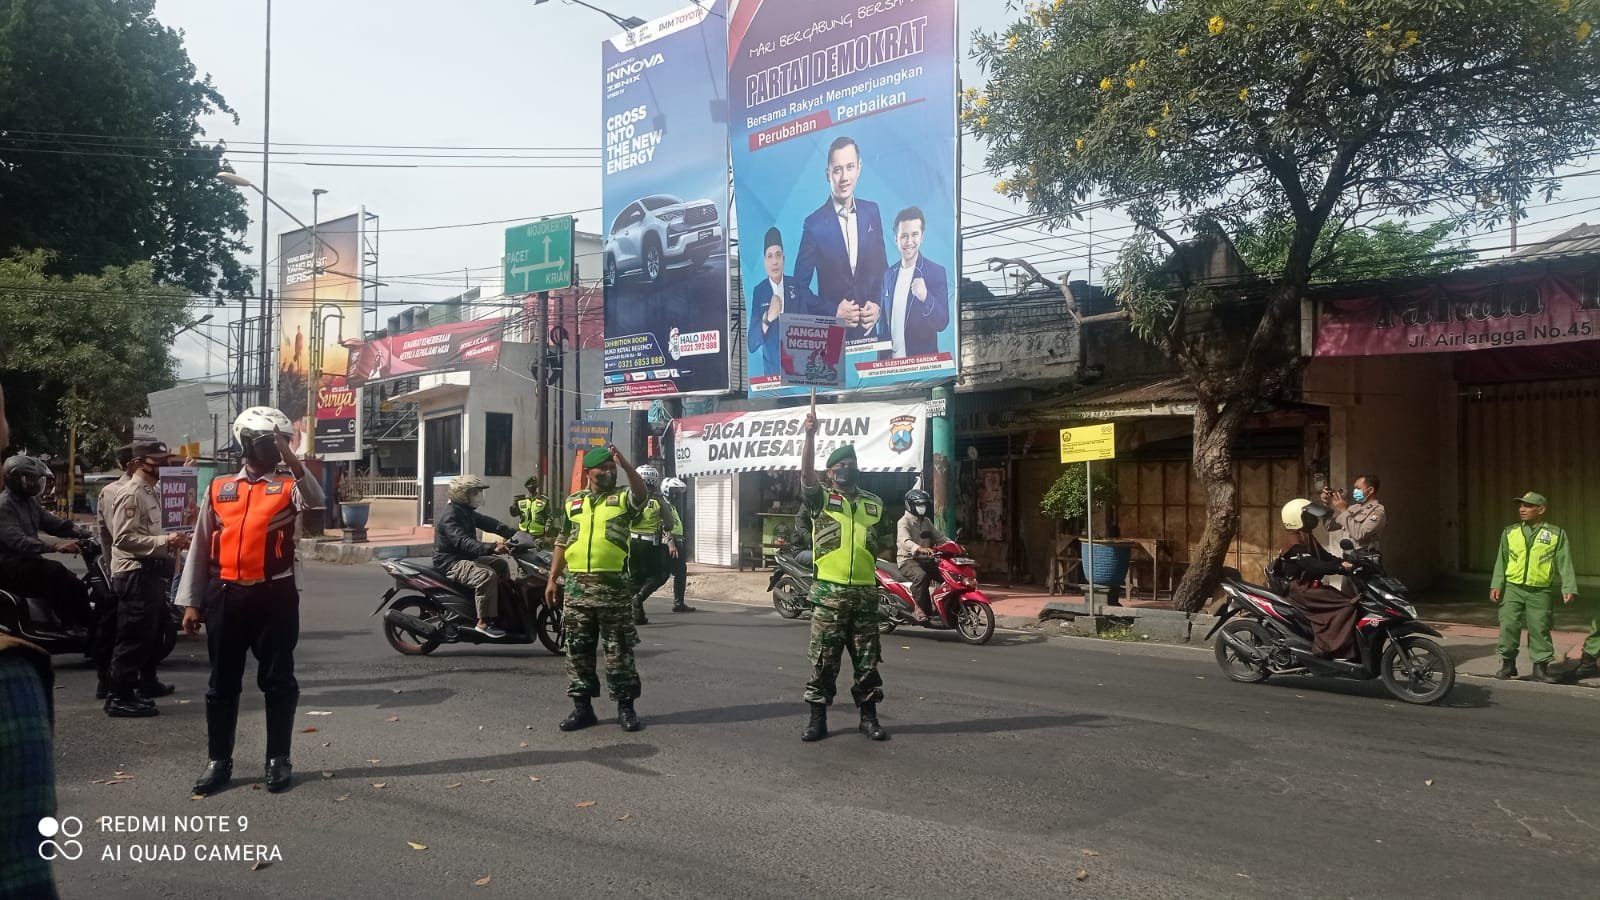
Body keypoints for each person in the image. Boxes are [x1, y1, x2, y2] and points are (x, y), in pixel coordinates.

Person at [178, 406, 323, 796]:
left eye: (283, 442)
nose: (276, 450)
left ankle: (278, 759)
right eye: (268, 442)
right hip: (225, 594)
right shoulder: (221, 488)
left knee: (277, 681)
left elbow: (317, 499)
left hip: (275, 595)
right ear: (246, 443)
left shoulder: (288, 485)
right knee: (221, 683)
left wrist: (291, 457)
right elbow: (200, 546)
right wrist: (192, 602)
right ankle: (218, 761)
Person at [798, 396, 888, 743]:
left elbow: (880, 542)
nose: (846, 469)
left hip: (865, 594)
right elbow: (806, 477)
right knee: (824, 662)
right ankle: (817, 720)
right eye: (840, 465)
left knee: (868, 662)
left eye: (851, 463)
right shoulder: (821, 498)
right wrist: (809, 436)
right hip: (829, 595)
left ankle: (869, 717)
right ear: (830, 472)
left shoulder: (873, 503)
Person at [546, 445, 648, 732]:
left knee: (619, 651)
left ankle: (626, 709)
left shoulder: (623, 499)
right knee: (577, 650)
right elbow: (562, 541)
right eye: (602, 468)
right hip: (577, 589)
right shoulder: (573, 503)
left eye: (611, 467)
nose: (608, 472)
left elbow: (642, 494)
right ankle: (582, 709)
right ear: (589, 472)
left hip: (613, 588)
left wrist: (627, 466)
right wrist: (553, 578)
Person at [102, 441, 189, 717]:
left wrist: (174, 539)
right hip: (135, 572)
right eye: (159, 460)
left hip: (148, 573)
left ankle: (133, 690)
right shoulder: (131, 494)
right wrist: (166, 540)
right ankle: (119, 697)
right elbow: (124, 539)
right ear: (141, 463)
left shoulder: (151, 493)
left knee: (145, 636)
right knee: (132, 638)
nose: (165, 465)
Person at [793, 136, 889, 344]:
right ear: (828, 174)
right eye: (837, 170)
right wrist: (833, 311)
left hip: (869, 338)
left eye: (850, 167)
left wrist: (878, 304)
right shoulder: (814, 225)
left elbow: (883, 270)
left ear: (859, 168)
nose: (844, 177)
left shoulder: (872, 212)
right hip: (832, 340)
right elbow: (798, 289)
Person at [1489, 491, 1578, 684]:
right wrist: (1497, 584)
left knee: (1540, 628)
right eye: (1521, 505)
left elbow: (1564, 562)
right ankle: (1508, 665)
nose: (1522, 509)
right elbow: (1501, 560)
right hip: (1513, 587)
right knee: (1508, 626)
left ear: (1541, 509)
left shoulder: (1555, 534)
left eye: (1528, 506)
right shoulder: (1510, 532)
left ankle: (1540, 669)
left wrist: (1568, 587)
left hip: (1540, 590)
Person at [0, 455, 92, 631]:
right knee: (55, 571)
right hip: (8, 565)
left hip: (26, 562)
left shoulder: (30, 502)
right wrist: (54, 546)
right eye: (32, 479)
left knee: (77, 584)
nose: (36, 484)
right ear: (17, 479)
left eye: (37, 479)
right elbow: (18, 542)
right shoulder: (4, 505)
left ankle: (86, 627)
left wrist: (86, 534)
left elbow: (55, 524)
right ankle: (70, 624)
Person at [1273, 498, 1358, 660]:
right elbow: (1313, 566)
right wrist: (1339, 568)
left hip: (1309, 586)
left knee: (1345, 599)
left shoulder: (1306, 536)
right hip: (1298, 589)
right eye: (1309, 516)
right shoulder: (1293, 541)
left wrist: (1347, 562)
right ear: (1296, 518)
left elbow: (1326, 558)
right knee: (1347, 605)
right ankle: (1327, 647)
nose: (1313, 519)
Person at [436, 474, 517, 638]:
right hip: (452, 562)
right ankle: (483, 623)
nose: (478, 496)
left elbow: (491, 524)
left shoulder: (466, 512)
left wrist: (515, 534)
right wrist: (493, 547)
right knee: (486, 576)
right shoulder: (450, 516)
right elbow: (463, 542)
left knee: (500, 565)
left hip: (466, 557)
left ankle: (501, 609)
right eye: (474, 493)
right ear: (461, 494)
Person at [91, 444, 136, 701]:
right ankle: (108, 683)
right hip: (122, 571)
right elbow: (120, 537)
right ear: (132, 465)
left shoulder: (146, 489)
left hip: (137, 571)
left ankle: (145, 679)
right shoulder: (116, 492)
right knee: (118, 629)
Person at [877, 207, 950, 358]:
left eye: (914, 235)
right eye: (904, 235)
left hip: (920, 368)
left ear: (922, 236)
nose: (909, 241)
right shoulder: (888, 275)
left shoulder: (935, 272)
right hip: (890, 367)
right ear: (896, 238)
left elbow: (942, 323)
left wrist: (925, 297)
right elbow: (884, 326)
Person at [749, 227, 816, 377]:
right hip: (773, 375)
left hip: (799, 372)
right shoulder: (759, 292)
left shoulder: (796, 285)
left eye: (778, 255)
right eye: (770, 256)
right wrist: (768, 318)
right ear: (765, 262)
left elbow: (809, 327)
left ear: (784, 259)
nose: (774, 262)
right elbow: (751, 343)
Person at [627, 464, 687, 624]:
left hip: (630, 543)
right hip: (649, 544)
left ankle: (634, 613)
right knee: (660, 575)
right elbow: (668, 524)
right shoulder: (658, 500)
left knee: (635, 578)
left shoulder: (627, 497)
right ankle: (638, 599)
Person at [896, 488, 948, 624]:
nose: (922, 508)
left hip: (926, 559)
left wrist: (953, 545)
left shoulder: (926, 522)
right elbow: (905, 541)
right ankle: (917, 608)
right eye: (919, 505)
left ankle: (942, 607)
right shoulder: (903, 522)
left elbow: (940, 537)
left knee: (947, 575)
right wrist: (919, 548)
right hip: (908, 559)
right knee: (921, 576)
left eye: (924, 505)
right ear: (911, 505)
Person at [1323, 474, 1386, 553]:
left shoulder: (1377, 511)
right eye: (1355, 488)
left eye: (1358, 488)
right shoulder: (1354, 508)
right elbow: (1329, 525)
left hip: (1365, 559)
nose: (1355, 491)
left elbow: (1359, 534)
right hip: (1348, 558)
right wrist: (1326, 503)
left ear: (1370, 490)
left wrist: (1343, 510)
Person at [510, 475, 553, 542]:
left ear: (537, 485)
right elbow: (514, 514)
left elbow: (549, 517)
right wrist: (514, 505)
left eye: (534, 484)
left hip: (538, 535)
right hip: (523, 533)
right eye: (530, 484)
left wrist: (546, 530)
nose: (532, 486)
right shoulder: (521, 500)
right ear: (526, 486)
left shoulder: (543, 500)